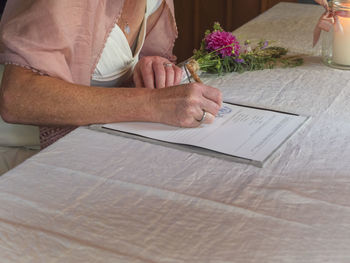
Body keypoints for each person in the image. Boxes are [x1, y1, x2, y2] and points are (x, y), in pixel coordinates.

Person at [0, 0, 222, 153]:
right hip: (23, 155)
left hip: (91, 141)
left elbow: (117, 58)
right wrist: (152, 103)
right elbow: (17, 97)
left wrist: (146, 68)